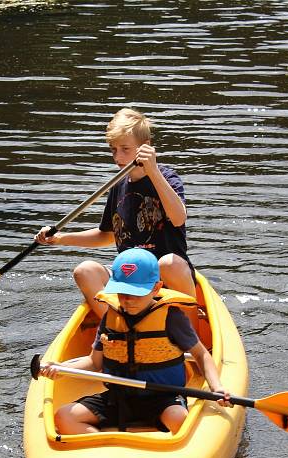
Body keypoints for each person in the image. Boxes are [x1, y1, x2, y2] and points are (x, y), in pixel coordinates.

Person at [37, 248, 230, 435]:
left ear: (156, 288)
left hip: (162, 399)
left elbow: (200, 354)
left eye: (136, 293)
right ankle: (108, 446)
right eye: (122, 292)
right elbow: (94, 362)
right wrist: (61, 369)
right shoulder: (111, 317)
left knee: (180, 420)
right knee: (64, 417)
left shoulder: (172, 318)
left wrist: (216, 387)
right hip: (118, 398)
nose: (128, 300)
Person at [35, 107, 195, 318]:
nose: (117, 157)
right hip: (130, 276)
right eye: (113, 149)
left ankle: (190, 333)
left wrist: (152, 171)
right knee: (85, 271)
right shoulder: (118, 185)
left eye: (125, 149)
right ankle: (119, 329)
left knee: (169, 264)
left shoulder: (166, 178)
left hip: (164, 275)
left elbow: (178, 217)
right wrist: (60, 239)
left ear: (144, 147)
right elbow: (108, 235)